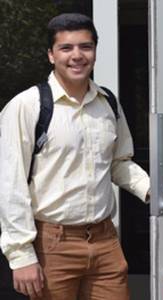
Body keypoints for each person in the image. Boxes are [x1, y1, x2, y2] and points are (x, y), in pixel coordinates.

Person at [0, 13, 150, 300]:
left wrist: (152, 190)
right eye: (66, 48)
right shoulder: (27, 106)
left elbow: (118, 163)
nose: (77, 56)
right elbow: (11, 185)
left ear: (95, 50)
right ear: (50, 54)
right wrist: (21, 255)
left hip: (106, 241)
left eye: (86, 46)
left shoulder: (107, 103)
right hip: (52, 245)